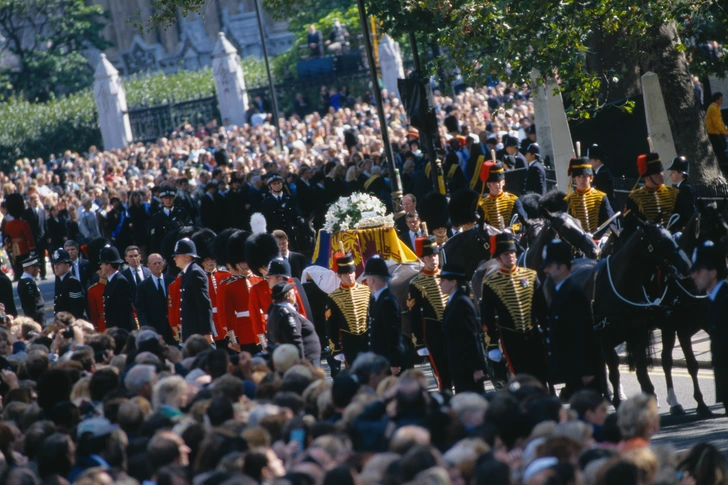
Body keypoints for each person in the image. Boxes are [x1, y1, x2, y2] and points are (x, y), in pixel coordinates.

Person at [481, 232, 547, 383]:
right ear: (498, 258)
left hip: (533, 333)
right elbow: (488, 315)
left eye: (512, 253)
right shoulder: (491, 282)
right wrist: (492, 344)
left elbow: (541, 306)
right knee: (521, 377)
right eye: (506, 254)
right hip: (510, 336)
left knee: (541, 375)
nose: (510, 256)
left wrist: (546, 328)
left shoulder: (530, 275)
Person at [541, 239, 602, 397]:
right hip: (572, 371)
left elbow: (584, 334)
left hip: (581, 373)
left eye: (550, 266)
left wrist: (587, 371)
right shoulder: (560, 291)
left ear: (561, 267)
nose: (546, 270)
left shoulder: (573, 293)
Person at [407, 236, 451, 391]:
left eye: (435, 255)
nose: (433, 259)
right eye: (429, 256)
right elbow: (414, 315)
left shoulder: (449, 276)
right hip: (434, 332)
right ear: (422, 259)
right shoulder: (416, 284)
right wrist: (418, 341)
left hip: (454, 331)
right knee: (443, 374)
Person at [690, 240, 728, 413]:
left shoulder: (724, 301)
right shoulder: (716, 299)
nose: (693, 275)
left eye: (697, 270)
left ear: (712, 273)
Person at [438, 262, 486, 393]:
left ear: (453, 282)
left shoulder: (461, 303)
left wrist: (477, 367)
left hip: (467, 368)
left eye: (443, 280)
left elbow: (471, 337)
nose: (439, 284)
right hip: (458, 365)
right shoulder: (454, 301)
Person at [220, 230, 263, 354]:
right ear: (236, 263)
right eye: (241, 261)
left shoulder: (260, 280)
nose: (245, 263)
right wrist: (233, 340)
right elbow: (226, 315)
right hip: (244, 334)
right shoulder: (229, 286)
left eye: (246, 260)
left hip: (262, 331)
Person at [363, 257, 407, 375]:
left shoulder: (387, 301)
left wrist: (395, 362)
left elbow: (393, 334)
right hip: (380, 361)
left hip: (388, 363)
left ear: (371, 280)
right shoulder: (378, 300)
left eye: (367, 279)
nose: (366, 282)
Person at [326, 253, 371, 365]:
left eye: (351, 272)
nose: (349, 276)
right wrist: (336, 349)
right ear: (339, 276)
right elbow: (331, 325)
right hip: (348, 342)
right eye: (345, 274)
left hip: (368, 339)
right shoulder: (333, 297)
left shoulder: (367, 291)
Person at [267, 281, 322, 365]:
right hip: (307, 362)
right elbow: (295, 341)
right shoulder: (288, 314)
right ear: (288, 296)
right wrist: (301, 363)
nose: (295, 295)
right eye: (294, 292)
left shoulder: (278, 310)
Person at [173, 238, 215, 343]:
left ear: (187, 257)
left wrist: (207, 332)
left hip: (199, 332)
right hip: (192, 331)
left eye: (177, 255)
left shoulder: (195, 273)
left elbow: (204, 304)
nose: (174, 258)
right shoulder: (188, 273)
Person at [564, 157, 614, 234]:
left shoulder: (601, 197)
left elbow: (610, 221)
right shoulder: (568, 200)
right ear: (574, 180)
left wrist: (605, 236)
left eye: (584, 176)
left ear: (591, 178)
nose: (581, 180)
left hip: (599, 240)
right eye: (578, 177)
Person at [628, 152, 678, 227]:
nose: (661, 175)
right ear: (647, 177)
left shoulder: (674, 194)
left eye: (661, 171)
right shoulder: (635, 198)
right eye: (657, 173)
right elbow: (629, 226)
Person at [135, 253, 176, 343]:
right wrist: (146, 329)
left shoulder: (173, 281)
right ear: (148, 266)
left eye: (159, 263)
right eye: (154, 263)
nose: (157, 265)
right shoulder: (143, 286)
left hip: (173, 328)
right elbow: (141, 309)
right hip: (155, 328)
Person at [477, 161, 528, 230]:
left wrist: (511, 229)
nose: (497, 185)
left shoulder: (513, 200)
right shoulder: (482, 205)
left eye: (499, 182)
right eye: (494, 182)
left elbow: (524, 221)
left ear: (503, 182)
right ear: (488, 185)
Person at [100, 245, 136, 331]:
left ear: (108, 266)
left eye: (102, 264)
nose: (101, 267)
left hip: (120, 331)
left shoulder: (120, 282)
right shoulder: (111, 281)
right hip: (113, 330)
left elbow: (124, 312)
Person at [148, 186, 192, 255]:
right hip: (164, 251)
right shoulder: (156, 217)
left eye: (170, 198)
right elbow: (154, 239)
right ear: (162, 199)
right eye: (166, 198)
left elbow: (190, 230)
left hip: (180, 250)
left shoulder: (182, 213)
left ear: (174, 198)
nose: (168, 200)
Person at [4, 193, 36, 282]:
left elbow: (7, 239)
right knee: (25, 267)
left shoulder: (7, 225)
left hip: (14, 249)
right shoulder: (24, 223)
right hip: (24, 248)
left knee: (17, 267)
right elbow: (29, 238)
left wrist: (10, 249)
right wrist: (32, 249)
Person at [52, 248, 86, 319]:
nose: (56, 267)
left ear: (68, 264)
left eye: (59, 263)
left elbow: (76, 310)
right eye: (55, 264)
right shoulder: (59, 279)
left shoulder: (72, 282)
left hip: (71, 324)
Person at [667, 156, 697, 230]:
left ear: (681, 173)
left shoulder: (685, 188)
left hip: (682, 228)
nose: (670, 175)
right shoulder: (682, 186)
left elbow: (688, 211)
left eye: (673, 172)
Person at [23, 192, 48, 280]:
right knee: (34, 259)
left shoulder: (42, 211)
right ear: (31, 201)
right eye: (34, 200)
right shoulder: (27, 212)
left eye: (37, 200)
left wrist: (47, 236)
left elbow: (45, 224)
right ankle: (35, 274)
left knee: (42, 258)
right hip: (32, 239)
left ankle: (43, 274)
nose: (36, 201)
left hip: (41, 238)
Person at [17, 256, 45, 325]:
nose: (39, 270)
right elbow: (31, 307)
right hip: (37, 320)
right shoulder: (29, 284)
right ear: (32, 268)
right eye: (38, 268)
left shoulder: (24, 281)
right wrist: (35, 323)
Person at [587, 144, 616, 208]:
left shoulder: (603, 175)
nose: (588, 162)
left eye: (590, 159)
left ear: (597, 161)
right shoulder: (599, 173)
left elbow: (604, 196)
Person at [705, 92, 728, 167]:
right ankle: (723, 164)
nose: (722, 101)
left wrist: (725, 131)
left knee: (721, 148)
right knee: (720, 150)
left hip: (716, 132)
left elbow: (720, 122)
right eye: (721, 99)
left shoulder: (715, 107)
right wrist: (724, 132)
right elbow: (716, 123)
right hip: (713, 132)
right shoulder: (713, 108)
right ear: (716, 99)